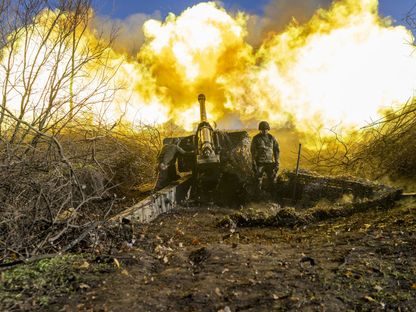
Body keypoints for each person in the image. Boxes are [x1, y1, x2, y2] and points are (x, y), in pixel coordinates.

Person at [250, 121, 280, 191]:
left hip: (270, 163)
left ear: (268, 129)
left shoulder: (272, 138)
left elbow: (276, 150)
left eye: (265, 129)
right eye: (262, 129)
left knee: (272, 179)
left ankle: (271, 195)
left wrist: (277, 162)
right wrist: (253, 162)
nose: (264, 131)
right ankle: (258, 196)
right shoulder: (256, 138)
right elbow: (253, 151)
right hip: (260, 162)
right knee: (258, 179)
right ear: (260, 130)